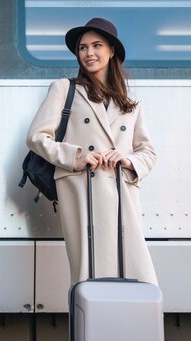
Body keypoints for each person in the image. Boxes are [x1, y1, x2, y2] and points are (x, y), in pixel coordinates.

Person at [26, 18, 158, 285]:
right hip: (81, 190)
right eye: (83, 48)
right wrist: (77, 156)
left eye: (97, 45)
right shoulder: (65, 89)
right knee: (89, 271)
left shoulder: (130, 104)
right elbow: (37, 137)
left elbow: (148, 152)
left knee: (135, 273)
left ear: (111, 51)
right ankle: (91, 324)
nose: (89, 53)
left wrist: (127, 159)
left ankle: (132, 325)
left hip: (121, 195)